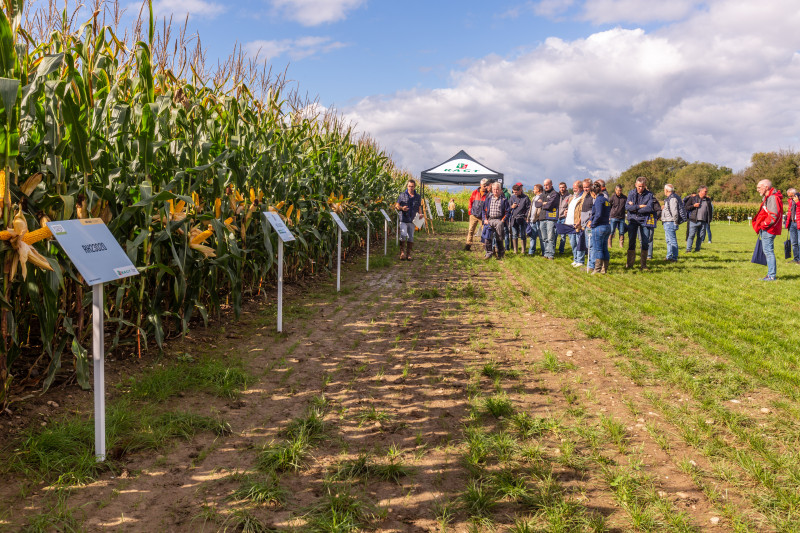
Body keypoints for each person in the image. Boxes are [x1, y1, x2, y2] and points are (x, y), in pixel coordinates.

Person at [753, 179, 783, 280]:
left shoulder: (772, 198)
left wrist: (763, 224)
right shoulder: (768, 197)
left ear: (766, 187)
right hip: (766, 229)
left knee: (769, 252)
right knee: (767, 251)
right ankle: (770, 274)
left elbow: (774, 215)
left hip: (768, 230)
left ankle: (771, 275)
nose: (757, 190)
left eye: (759, 187)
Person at [625, 176, 655, 270]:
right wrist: (639, 207)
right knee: (631, 242)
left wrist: (634, 208)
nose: (640, 188)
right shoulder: (631, 193)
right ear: (635, 185)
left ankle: (643, 265)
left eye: (642, 186)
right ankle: (629, 264)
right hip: (633, 220)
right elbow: (627, 207)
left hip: (644, 221)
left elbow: (649, 208)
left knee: (645, 242)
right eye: (639, 186)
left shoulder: (649, 195)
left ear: (645, 185)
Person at [395, 179, 423, 260]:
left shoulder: (417, 196)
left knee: (411, 237)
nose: (411, 188)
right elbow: (397, 205)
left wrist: (420, 214)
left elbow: (418, 207)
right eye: (409, 186)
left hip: (412, 220)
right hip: (403, 219)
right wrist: (401, 208)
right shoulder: (402, 195)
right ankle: (402, 252)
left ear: (414, 187)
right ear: (407, 186)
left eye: (412, 186)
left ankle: (408, 254)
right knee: (403, 235)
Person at [483, 182, 510, 260]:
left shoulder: (504, 200)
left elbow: (508, 212)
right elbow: (483, 210)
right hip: (489, 220)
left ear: (500, 190)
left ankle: (500, 254)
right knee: (487, 236)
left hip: (499, 220)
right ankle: (489, 253)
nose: (495, 191)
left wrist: (503, 221)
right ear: (492, 190)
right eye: (494, 189)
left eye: (497, 189)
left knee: (499, 237)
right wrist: (485, 219)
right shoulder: (488, 198)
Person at [589, 181, 611, 274]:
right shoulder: (606, 199)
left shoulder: (598, 200)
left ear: (593, 192)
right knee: (604, 248)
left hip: (599, 227)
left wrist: (593, 224)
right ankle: (604, 269)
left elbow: (598, 214)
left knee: (598, 249)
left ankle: (597, 270)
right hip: (607, 226)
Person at [535, 179, 560, 260]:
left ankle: (551, 254)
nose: (546, 186)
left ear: (551, 184)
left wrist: (542, 203)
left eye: (547, 184)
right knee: (544, 238)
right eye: (544, 185)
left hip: (551, 218)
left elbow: (550, 205)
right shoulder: (543, 194)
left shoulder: (555, 194)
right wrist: (543, 203)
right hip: (542, 218)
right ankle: (546, 253)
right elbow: (536, 204)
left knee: (550, 237)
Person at [464, 178, 489, 250]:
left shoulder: (488, 194)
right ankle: (468, 245)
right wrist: (470, 212)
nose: (485, 187)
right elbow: (470, 202)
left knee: (484, 231)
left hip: (483, 216)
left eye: (486, 185)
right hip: (473, 215)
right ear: (480, 185)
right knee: (471, 230)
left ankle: (485, 246)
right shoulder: (474, 192)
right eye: (484, 185)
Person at [686, 186, 712, 253]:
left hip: (703, 221)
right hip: (694, 221)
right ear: (700, 191)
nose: (706, 193)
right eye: (705, 191)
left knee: (700, 236)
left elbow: (710, 211)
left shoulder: (708, 200)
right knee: (691, 235)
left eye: (706, 191)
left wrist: (709, 220)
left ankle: (697, 250)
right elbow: (686, 207)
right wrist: (693, 206)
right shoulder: (693, 198)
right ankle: (688, 250)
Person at [565, 180, 585, 267]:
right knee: (573, 243)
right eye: (573, 188)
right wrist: (567, 211)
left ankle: (580, 260)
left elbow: (583, 212)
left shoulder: (583, 198)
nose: (574, 190)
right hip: (569, 223)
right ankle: (575, 259)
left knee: (579, 243)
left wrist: (579, 221)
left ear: (580, 188)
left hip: (577, 224)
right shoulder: (572, 198)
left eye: (575, 188)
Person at [661, 184, 681, 262]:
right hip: (667, 222)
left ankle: (674, 257)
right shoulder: (669, 198)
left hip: (670, 222)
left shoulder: (672, 199)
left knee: (672, 241)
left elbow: (674, 212)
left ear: (666, 190)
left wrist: (675, 222)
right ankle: (669, 256)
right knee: (668, 241)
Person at [508, 183, 530, 253]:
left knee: (523, 235)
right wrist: (512, 207)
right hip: (514, 219)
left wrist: (526, 216)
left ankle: (523, 250)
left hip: (522, 219)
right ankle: (515, 250)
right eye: (514, 192)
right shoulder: (512, 198)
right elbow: (507, 208)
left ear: (520, 190)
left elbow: (528, 208)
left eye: (516, 192)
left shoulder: (525, 198)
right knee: (514, 234)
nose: (515, 193)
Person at [579, 179, 594, 267]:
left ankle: (591, 265)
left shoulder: (593, 196)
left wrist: (590, 221)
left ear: (591, 186)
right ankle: (590, 263)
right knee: (587, 245)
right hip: (584, 224)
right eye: (584, 187)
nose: (585, 189)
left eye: (587, 187)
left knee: (590, 245)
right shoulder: (586, 196)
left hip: (590, 225)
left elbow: (594, 210)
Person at [527, 184, 543, 255]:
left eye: (534, 189)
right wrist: (528, 217)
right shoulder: (534, 198)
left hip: (538, 220)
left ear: (538, 189)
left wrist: (539, 217)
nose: (533, 190)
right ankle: (531, 251)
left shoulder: (543, 197)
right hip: (532, 219)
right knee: (532, 236)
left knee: (541, 237)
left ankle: (544, 251)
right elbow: (531, 208)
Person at [786, 188, 800, 263]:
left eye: (791, 196)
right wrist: (787, 223)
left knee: (799, 242)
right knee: (794, 242)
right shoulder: (790, 201)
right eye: (789, 196)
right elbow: (789, 212)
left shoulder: (798, 200)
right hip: (792, 223)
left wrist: (797, 202)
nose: (790, 198)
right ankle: (796, 259)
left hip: (798, 223)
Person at [557, 182, 570, 254]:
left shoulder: (569, 196)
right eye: (560, 187)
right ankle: (553, 250)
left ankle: (561, 251)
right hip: (556, 217)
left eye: (563, 187)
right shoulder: (557, 195)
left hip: (563, 218)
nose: (562, 189)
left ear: (566, 187)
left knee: (563, 236)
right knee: (554, 235)